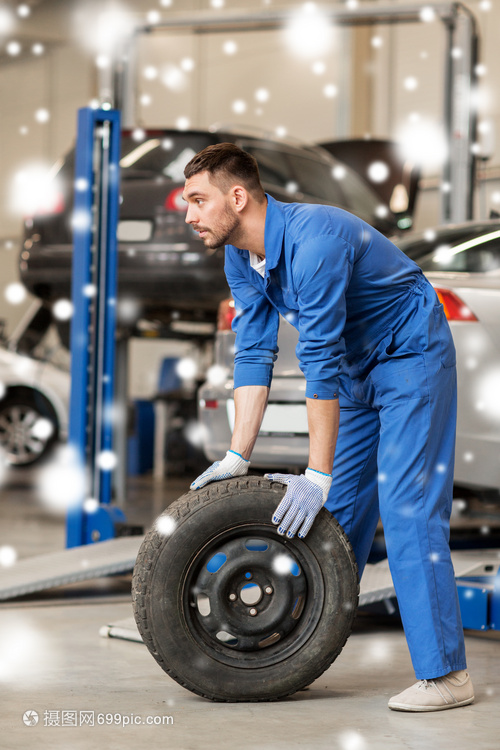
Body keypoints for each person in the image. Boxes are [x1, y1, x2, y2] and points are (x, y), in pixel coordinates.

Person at [182, 142, 474, 712]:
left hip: (410, 353)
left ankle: (447, 675)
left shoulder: (316, 240)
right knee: (335, 514)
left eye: (198, 199)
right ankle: (298, 653)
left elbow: (317, 359)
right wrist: (239, 454)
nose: (189, 214)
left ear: (237, 198)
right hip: (355, 368)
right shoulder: (241, 257)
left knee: (407, 504)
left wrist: (315, 470)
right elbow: (254, 353)